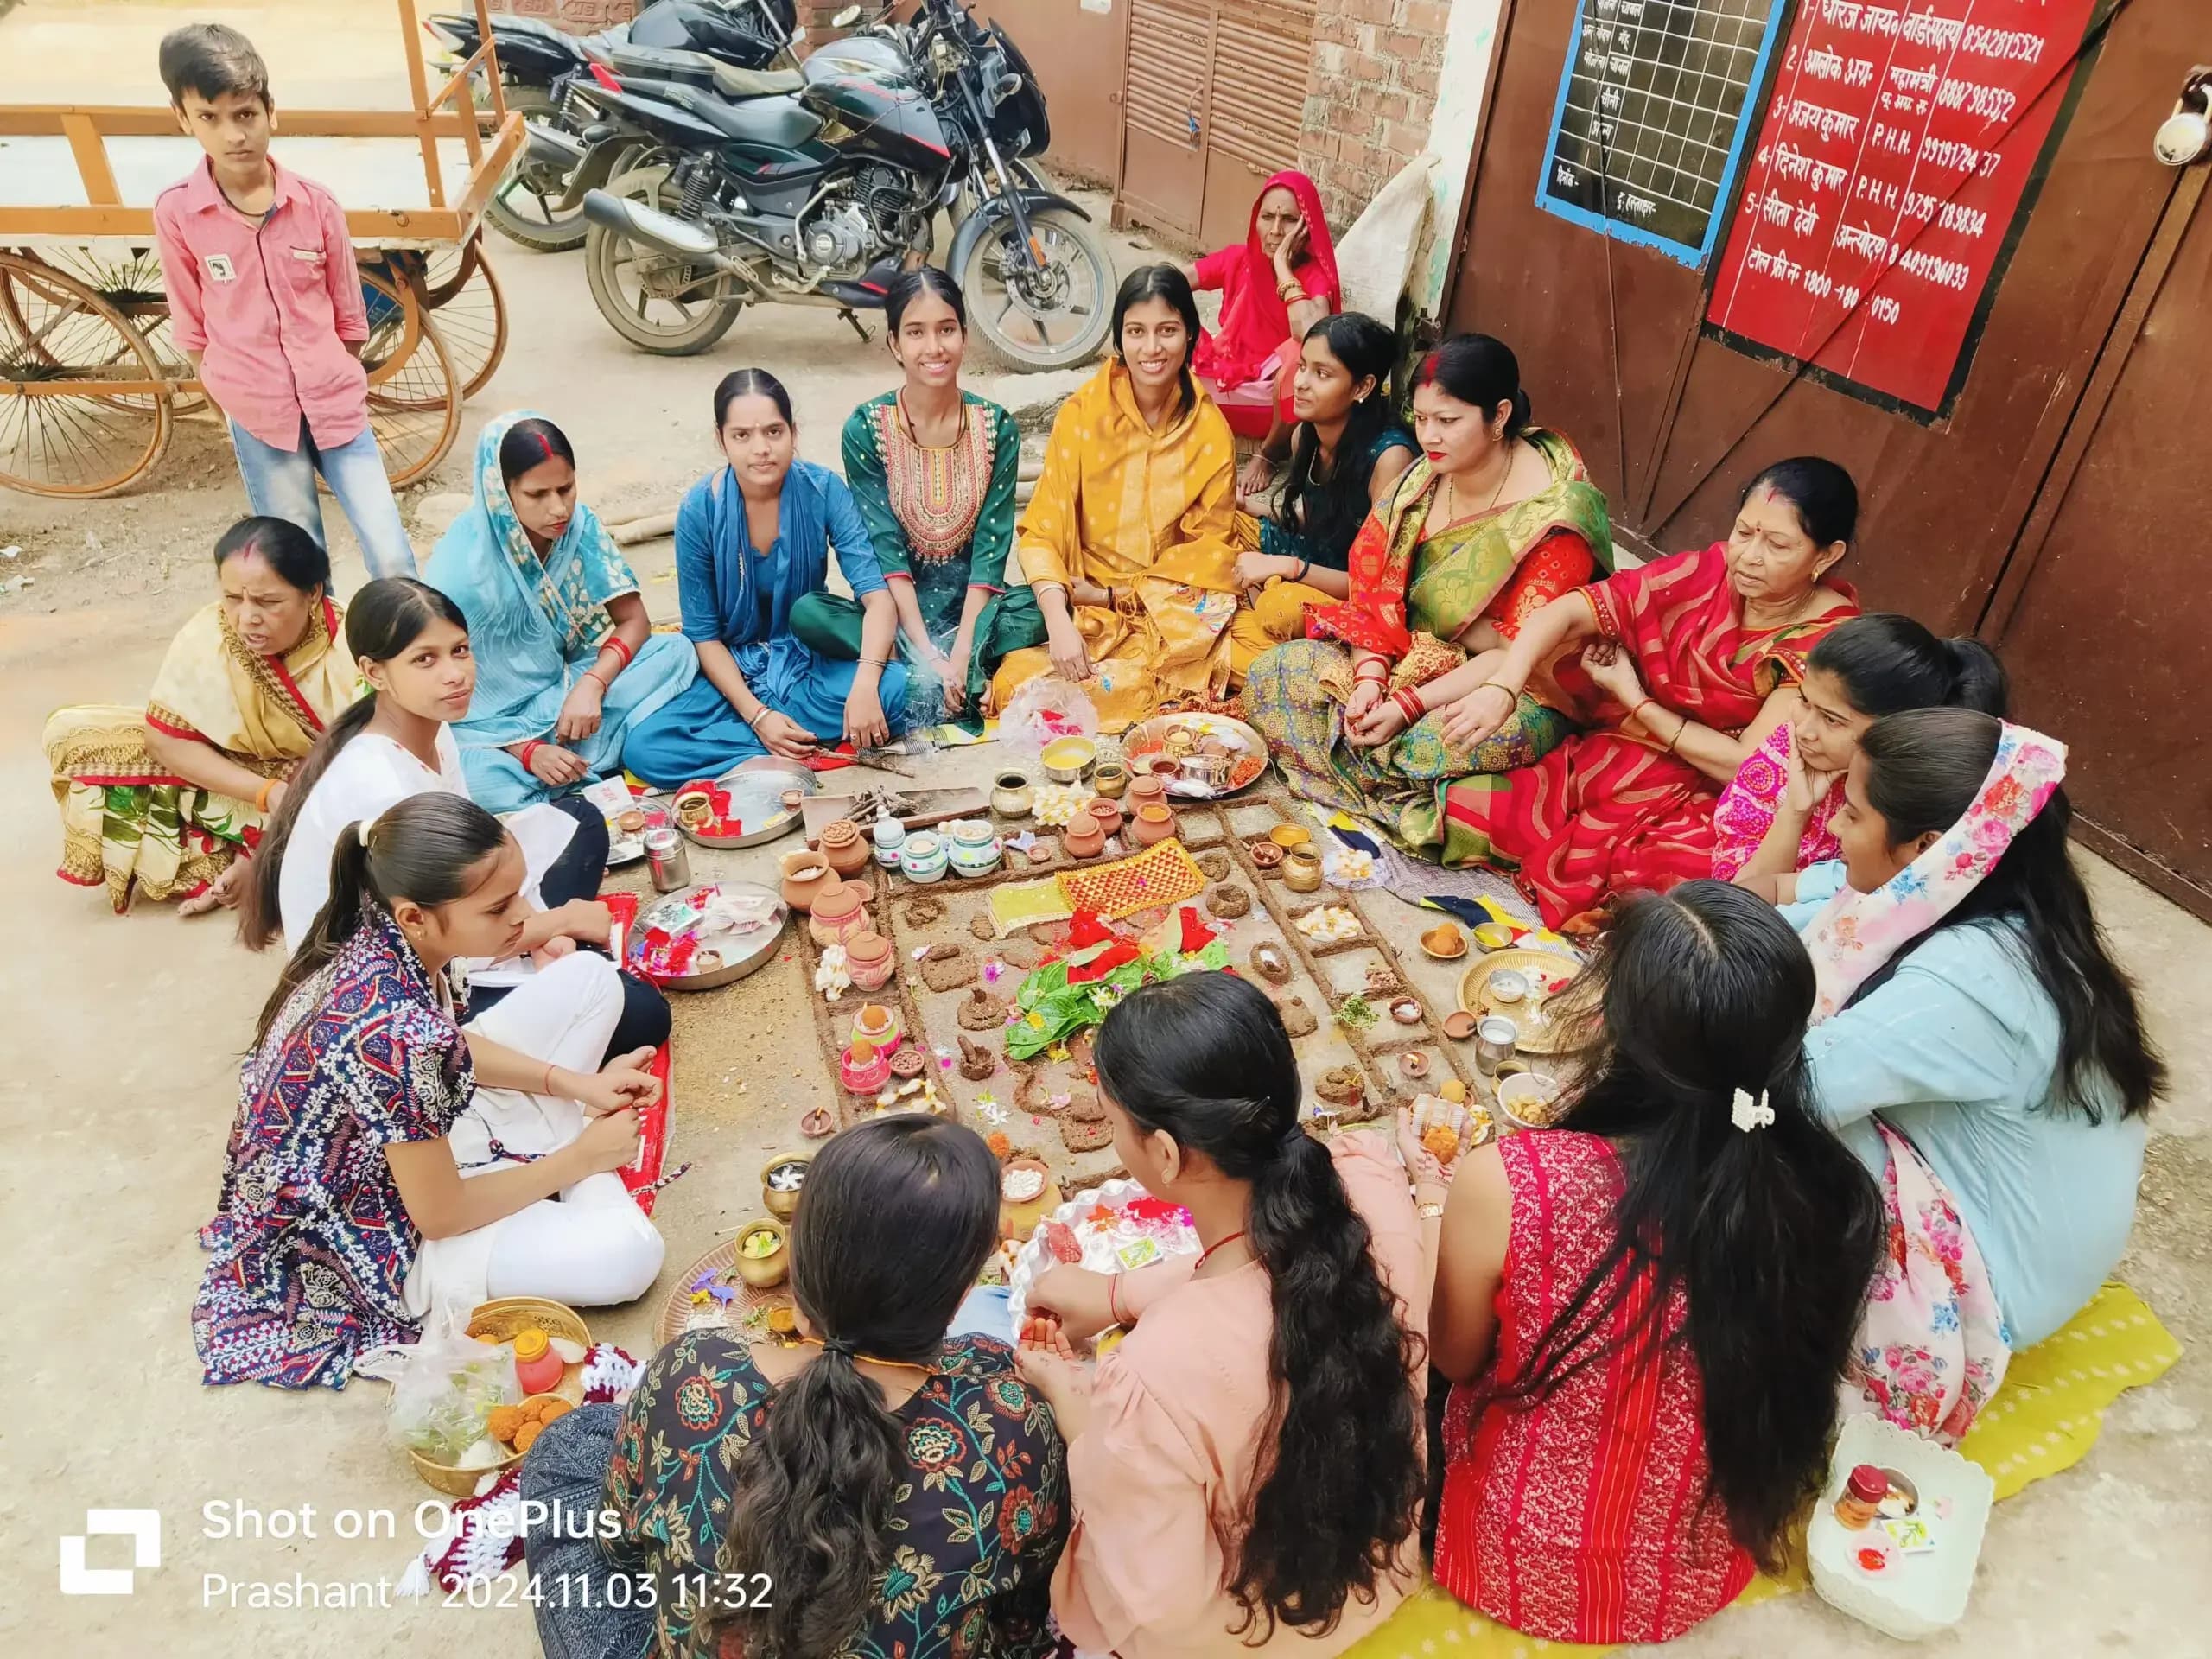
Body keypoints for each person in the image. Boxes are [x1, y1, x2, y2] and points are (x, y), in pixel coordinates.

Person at [1425, 881, 1884, 1643]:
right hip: (1694, 1568)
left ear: (1618, 1030)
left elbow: (1454, 1356)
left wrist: (1431, 1219)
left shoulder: (1513, 1180)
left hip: (1507, 1556)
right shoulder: (1831, 1192)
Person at [521, 1116, 1067, 1659]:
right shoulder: (1013, 1419)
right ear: (963, 1294)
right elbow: (1022, 1623)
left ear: (798, 1262)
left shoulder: (691, 1371)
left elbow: (619, 1551)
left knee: (569, 1442)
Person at [1015, 973, 1427, 1657]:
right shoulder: (1368, 1185)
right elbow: (1287, 1264)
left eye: (1113, 1123)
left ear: (1168, 1154)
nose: (1114, 1137)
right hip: (1380, 1576)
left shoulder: (1154, 1377)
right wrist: (1118, 1294)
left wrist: (1074, 1406)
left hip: (1266, 1636)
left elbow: (1166, 1607)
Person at [194, 792, 666, 1389]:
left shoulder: (386, 933)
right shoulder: (392, 1032)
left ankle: (564, 1132)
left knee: (594, 979)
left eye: (518, 894)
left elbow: (453, 1047)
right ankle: (570, 1155)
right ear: (415, 914)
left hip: (413, 1145)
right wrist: (584, 1157)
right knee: (629, 1256)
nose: (522, 917)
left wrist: (572, 1082)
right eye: (499, 908)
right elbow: (441, 1215)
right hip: (375, 1236)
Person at [1779, 709, 2162, 1357]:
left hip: (1986, 1297)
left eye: (1853, 813)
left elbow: (1790, 1091)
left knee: (1752, 1124)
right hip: (2015, 1242)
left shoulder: (1972, 976)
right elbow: (1784, 927)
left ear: (1927, 848)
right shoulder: (1973, 900)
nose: (1837, 829)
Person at [239, 578, 671, 1059]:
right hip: (396, 991)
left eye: (460, 651)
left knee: (581, 818)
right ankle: (562, 967)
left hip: (453, 920)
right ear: (374, 672)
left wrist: (535, 929)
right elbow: (438, 934)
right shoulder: (378, 787)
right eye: (425, 659)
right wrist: (555, 924)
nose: (455, 674)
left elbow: (474, 864)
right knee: (641, 1014)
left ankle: (562, 962)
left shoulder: (433, 728)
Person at [1429, 456, 1864, 928]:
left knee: (1672, 897)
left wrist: (1636, 700)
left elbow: (1745, 764)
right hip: (1625, 753)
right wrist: (1504, 686)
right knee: (1468, 815)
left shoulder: (1826, 641)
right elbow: (1574, 610)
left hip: (1724, 803)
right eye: (1744, 532)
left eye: (1778, 544)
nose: (1749, 556)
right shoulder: (1712, 571)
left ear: (1826, 556)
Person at [1241, 334, 1612, 852]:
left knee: (1438, 744)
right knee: (1274, 672)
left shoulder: (1557, 515)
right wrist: (1370, 679)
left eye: (1448, 421)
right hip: (1406, 653)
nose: (1430, 436)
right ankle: (1392, 787)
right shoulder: (1423, 478)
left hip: (1511, 684)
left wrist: (1410, 704)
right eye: (1420, 419)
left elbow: (1518, 653)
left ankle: (1376, 776)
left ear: (1499, 415)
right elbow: (1374, 597)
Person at [151, 24, 415, 579]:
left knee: (392, 553)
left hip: (337, 405)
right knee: (300, 564)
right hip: (257, 415)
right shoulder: (178, 213)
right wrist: (230, 398)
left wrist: (325, 371)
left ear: (271, 111)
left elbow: (349, 316)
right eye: (210, 118)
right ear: (183, 119)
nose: (232, 135)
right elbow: (192, 327)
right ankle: (321, 663)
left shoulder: (316, 206)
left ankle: (399, 659)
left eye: (244, 114)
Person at [44, 517, 358, 915]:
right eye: (233, 598)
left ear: (312, 593)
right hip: (242, 782)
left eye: (268, 602)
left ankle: (255, 863)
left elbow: (367, 757)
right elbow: (165, 740)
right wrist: (264, 793)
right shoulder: (208, 633)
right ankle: (254, 857)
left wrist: (289, 794)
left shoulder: (352, 642)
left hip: (317, 785)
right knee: (75, 740)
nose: (246, 618)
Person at [987, 266, 1253, 729]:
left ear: (1190, 335)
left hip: (1172, 610)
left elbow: (1209, 556)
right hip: (1086, 603)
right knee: (1016, 686)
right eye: (1137, 332)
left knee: (1258, 660)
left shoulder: (1210, 432)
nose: (1152, 349)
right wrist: (1059, 621)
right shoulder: (1083, 417)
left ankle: (1146, 685)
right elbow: (1041, 531)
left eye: (1167, 331)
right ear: (1119, 338)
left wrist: (1120, 596)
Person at [625, 369, 911, 785]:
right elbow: (703, 637)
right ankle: (791, 740)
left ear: (794, 432)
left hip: (805, 661)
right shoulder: (699, 510)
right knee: (646, 749)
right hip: (733, 673)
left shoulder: (823, 489)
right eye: (742, 435)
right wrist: (758, 716)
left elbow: (877, 597)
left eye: (774, 431)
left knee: (902, 688)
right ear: (720, 439)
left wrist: (866, 684)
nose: (761, 449)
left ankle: (776, 740)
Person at [425, 412, 696, 811]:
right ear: (501, 493)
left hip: (565, 692)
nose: (559, 509)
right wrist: (528, 750)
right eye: (537, 495)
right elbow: (443, 699)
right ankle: (578, 764)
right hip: (486, 728)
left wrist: (592, 685)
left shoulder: (579, 526)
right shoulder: (462, 572)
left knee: (677, 651)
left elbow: (634, 620)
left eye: (566, 488)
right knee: (470, 779)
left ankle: (566, 775)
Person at [802, 269, 1040, 721]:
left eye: (946, 330)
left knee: (1046, 605)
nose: (934, 347)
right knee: (810, 614)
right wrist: (930, 654)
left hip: (978, 611)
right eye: (916, 332)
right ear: (894, 344)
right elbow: (885, 554)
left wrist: (963, 649)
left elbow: (991, 554)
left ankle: (943, 675)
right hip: (896, 612)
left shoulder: (996, 427)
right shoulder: (866, 428)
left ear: (964, 336)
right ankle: (946, 676)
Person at [1719, 613, 2007, 887]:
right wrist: (1795, 812)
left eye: (1832, 719)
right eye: (1805, 702)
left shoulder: (1917, 796)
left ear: (1894, 729)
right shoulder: (1786, 751)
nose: (1805, 730)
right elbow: (1737, 900)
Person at [1230, 313, 1418, 644]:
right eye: (1302, 366)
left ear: (1362, 387)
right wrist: (1249, 507)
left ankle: (1266, 612)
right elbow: (1321, 522)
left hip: (1352, 589)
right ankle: (1263, 607)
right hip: (1311, 559)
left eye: (1322, 373)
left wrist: (1286, 567)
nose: (1301, 382)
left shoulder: (1389, 459)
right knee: (1224, 523)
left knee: (1280, 609)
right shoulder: (1304, 435)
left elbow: (1380, 583)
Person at [1192, 171, 1339, 441]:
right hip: (1224, 379)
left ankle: (1269, 455)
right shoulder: (1239, 259)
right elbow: (1169, 283)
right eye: (1268, 217)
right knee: (1168, 324)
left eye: (1289, 220)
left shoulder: (1315, 277)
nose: (1275, 231)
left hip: (1274, 404)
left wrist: (1282, 267)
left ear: (1306, 229)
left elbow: (1311, 333)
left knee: (1303, 350)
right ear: (1255, 219)